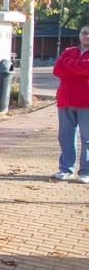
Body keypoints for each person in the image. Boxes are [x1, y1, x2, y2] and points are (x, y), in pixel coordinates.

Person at [51, 23, 89, 183]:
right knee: (65, 136)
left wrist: (69, 66)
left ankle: (86, 172)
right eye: (84, 32)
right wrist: (78, 69)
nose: (86, 35)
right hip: (65, 100)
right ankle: (65, 168)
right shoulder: (68, 51)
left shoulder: (68, 57)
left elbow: (86, 69)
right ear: (79, 35)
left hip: (86, 102)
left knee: (87, 138)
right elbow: (57, 70)